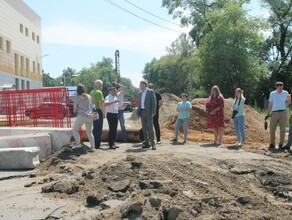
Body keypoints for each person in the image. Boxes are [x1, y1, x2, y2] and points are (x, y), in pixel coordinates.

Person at [266, 82, 291, 149]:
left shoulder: (285, 92)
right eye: (280, 88)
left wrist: (286, 104)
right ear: (277, 87)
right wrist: (268, 114)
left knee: (282, 129)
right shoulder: (272, 93)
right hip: (274, 113)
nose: (281, 89)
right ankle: (272, 143)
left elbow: (290, 99)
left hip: (283, 112)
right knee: (272, 129)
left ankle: (281, 144)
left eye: (282, 87)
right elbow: (270, 104)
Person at [72, 84, 95, 152]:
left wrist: (75, 111)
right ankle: (93, 147)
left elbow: (75, 109)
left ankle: (78, 144)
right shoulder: (89, 96)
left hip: (82, 115)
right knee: (89, 132)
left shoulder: (77, 97)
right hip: (90, 116)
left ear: (77, 90)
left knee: (75, 129)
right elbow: (92, 105)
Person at [137, 80, 157, 150]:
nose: (139, 86)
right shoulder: (140, 93)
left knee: (150, 128)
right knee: (144, 128)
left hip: (149, 112)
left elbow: (154, 102)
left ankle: (153, 144)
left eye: (140, 84)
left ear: (144, 85)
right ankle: (147, 143)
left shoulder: (150, 91)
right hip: (142, 112)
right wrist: (138, 113)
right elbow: (139, 104)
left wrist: (153, 111)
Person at [90, 80, 105, 149]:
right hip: (98, 111)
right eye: (102, 85)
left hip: (93, 111)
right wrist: (103, 113)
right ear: (99, 85)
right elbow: (101, 104)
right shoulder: (99, 92)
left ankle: (93, 143)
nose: (102, 87)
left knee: (95, 127)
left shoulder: (92, 92)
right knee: (99, 128)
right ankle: (97, 145)